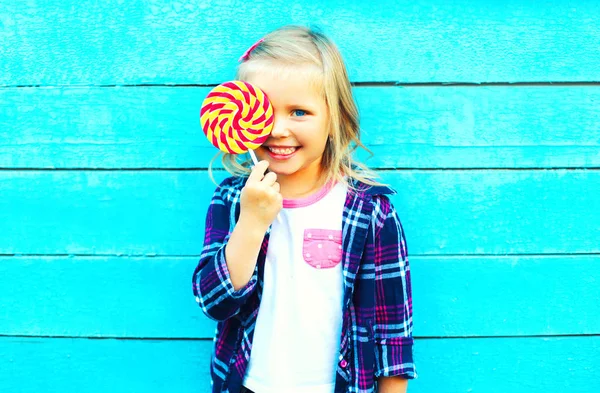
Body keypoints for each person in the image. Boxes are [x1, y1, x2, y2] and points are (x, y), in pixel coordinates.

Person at [193, 25, 416, 393]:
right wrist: (251, 222)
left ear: (335, 119)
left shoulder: (369, 212)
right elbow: (213, 301)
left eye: (299, 111)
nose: (278, 130)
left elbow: (393, 330)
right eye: (264, 111)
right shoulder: (232, 199)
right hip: (247, 384)